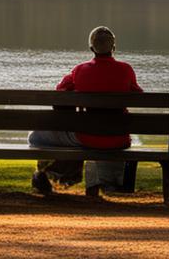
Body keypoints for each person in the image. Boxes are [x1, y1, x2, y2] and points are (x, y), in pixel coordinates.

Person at [28, 25, 142, 198]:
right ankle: (70, 174)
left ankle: (49, 174)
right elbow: (139, 95)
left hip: (87, 138)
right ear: (113, 47)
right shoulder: (126, 69)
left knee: (34, 137)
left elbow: (60, 93)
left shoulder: (81, 70)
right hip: (119, 139)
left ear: (91, 48)